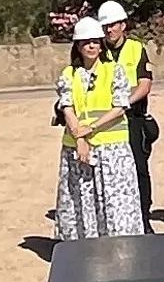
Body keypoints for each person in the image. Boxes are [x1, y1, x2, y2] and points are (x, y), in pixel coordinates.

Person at [51, 16, 144, 240]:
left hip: (113, 152)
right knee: (81, 203)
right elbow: (67, 107)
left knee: (116, 206)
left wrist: (90, 129)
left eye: (95, 41)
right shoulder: (69, 75)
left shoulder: (115, 71)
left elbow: (120, 106)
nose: (91, 46)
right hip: (79, 152)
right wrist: (81, 138)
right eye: (85, 42)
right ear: (77, 46)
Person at [98, 0, 154, 221]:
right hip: (107, 122)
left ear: (123, 25)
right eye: (106, 26)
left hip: (133, 118)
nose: (109, 29)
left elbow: (145, 84)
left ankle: (143, 217)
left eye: (113, 24)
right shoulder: (98, 51)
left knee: (139, 169)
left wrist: (125, 103)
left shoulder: (136, 49)